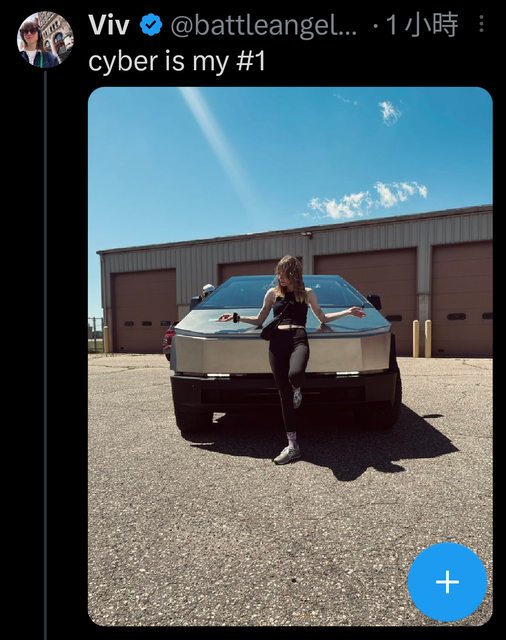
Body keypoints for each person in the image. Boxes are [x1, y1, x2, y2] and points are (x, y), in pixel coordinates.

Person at [218, 256, 366, 465]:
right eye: (278, 272)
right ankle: (293, 445)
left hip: (298, 338)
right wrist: (236, 317)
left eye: (284, 273)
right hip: (277, 342)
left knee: (295, 375)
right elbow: (260, 319)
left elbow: (323, 317)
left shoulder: (307, 293)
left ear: (294, 274)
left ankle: (297, 388)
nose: (280, 276)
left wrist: (348, 312)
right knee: (283, 395)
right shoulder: (272, 294)